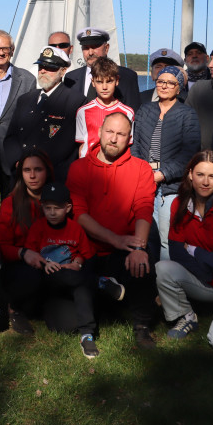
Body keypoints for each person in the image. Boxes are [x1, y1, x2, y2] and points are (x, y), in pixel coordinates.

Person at [67, 112, 158, 349]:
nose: (114, 138)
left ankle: (142, 326)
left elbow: (144, 208)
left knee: (142, 263)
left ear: (129, 139)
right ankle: (102, 302)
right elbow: (79, 214)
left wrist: (139, 248)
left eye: (121, 134)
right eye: (109, 132)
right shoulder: (79, 168)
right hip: (86, 250)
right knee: (65, 321)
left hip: (124, 248)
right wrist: (115, 239)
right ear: (99, 132)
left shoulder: (141, 168)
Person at [154, 150, 213, 352]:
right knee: (163, 268)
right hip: (204, 279)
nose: (205, 182)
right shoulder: (179, 204)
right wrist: (206, 272)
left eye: (212, 176)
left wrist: (194, 250)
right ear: (190, 174)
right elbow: (177, 252)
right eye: (200, 174)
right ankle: (186, 316)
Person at [19, 182, 99, 358]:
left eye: (57, 208)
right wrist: (44, 264)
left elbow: (87, 255)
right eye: (48, 208)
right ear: (42, 207)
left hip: (72, 282)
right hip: (47, 281)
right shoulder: (38, 227)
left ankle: (87, 335)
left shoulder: (75, 228)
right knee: (63, 325)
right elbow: (30, 256)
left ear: (67, 208)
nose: (52, 212)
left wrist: (78, 263)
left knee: (80, 290)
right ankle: (99, 282)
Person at [131, 65, 200, 259]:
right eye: (161, 81)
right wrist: (143, 172)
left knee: (166, 238)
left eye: (171, 83)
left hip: (171, 187)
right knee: (142, 236)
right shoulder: (145, 110)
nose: (164, 86)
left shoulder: (187, 114)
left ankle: (164, 276)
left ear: (179, 88)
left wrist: (162, 174)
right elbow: (134, 143)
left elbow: (189, 153)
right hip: (143, 181)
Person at [4, 46, 86, 182]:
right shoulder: (25, 99)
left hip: (54, 176)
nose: (43, 71)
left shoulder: (75, 101)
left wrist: (39, 166)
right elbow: (11, 137)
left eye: (50, 68)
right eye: (41, 67)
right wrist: (18, 162)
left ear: (63, 71)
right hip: (22, 175)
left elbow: (66, 144)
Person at [0, 147, 54, 334]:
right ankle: (14, 308)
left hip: (53, 263)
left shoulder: (58, 200)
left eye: (38, 169)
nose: (32, 175)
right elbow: (2, 246)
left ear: (47, 171)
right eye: (27, 170)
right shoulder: (10, 203)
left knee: (65, 323)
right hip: (20, 266)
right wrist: (23, 253)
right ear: (21, 173)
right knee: (31, 278)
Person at [0, 30, 37, 199]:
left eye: (5, 48)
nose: (1, 53)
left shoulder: (27, 79)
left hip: (13, 156)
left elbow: (30, 122)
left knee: (12, 205)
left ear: (12, 50)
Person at [63, 27, 140, 110]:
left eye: (95, 47)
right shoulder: (70, 78)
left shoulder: (127, 77)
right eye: (86, 48)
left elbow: (134, 112)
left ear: (106, 48)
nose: (90, 53)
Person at [75, 57, 135, 158]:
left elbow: (127, 144)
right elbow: (82, 145)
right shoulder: (83, 111)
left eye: (109, 81)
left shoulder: (128, 112)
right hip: (89, 164)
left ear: (117, 81)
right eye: (99, 82)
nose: (104, 87)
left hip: (115, 164)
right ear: (93, 82)